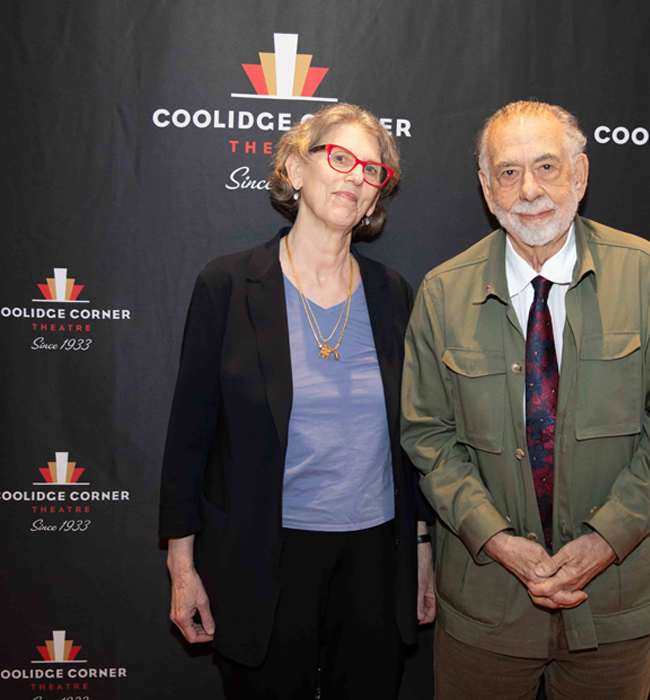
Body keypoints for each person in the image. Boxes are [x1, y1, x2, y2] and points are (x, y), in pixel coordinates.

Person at [401, 101, 650, 699]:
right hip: (486, 604)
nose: (530, 189)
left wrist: (604, 539)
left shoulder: (647, 274)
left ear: (580, 175)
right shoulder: (442, 292)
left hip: (614, 597)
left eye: (547, 165)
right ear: (487, 189)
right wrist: (496, 540)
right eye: (508, 172)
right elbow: (428, 437)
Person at [159, 103, 435, 700]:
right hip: (265, 555)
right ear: (295, 168)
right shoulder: (228, 285)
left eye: (371, 171)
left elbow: (412, 444)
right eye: (339, 158)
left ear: (375, 198)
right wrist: (182, 569)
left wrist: (421, 552)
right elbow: (189, 438)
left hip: (375, 559)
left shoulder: (393, 295)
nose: (355, 177)